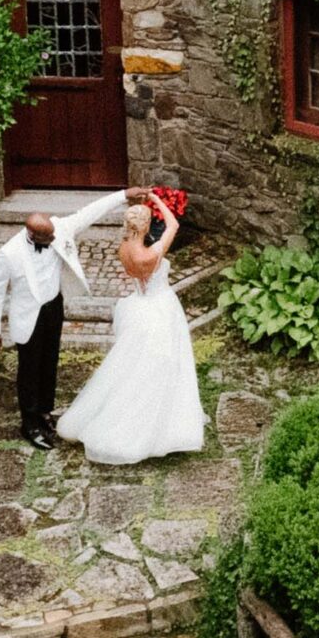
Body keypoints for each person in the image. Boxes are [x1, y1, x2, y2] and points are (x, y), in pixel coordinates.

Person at [0, 186, 152, 450]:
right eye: (48, 238)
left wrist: (124, 195)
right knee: (29, 370)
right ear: (33, 235)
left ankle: (45, 411)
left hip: (54, 306)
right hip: (28, 316)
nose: (54, 239)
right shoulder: (9, 253)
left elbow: (90, 212)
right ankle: (29, 424)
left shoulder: (59, 228)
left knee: (50, 361)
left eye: (53, 234)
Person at [56, 192, 206, 465]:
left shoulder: (124, 248)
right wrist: (156, 199)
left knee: (134, 362)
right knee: (165, 363)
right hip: (160, 308)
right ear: (146, 225)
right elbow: (173, 224)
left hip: (138, 306)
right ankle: (157, 424)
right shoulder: (151, 254)